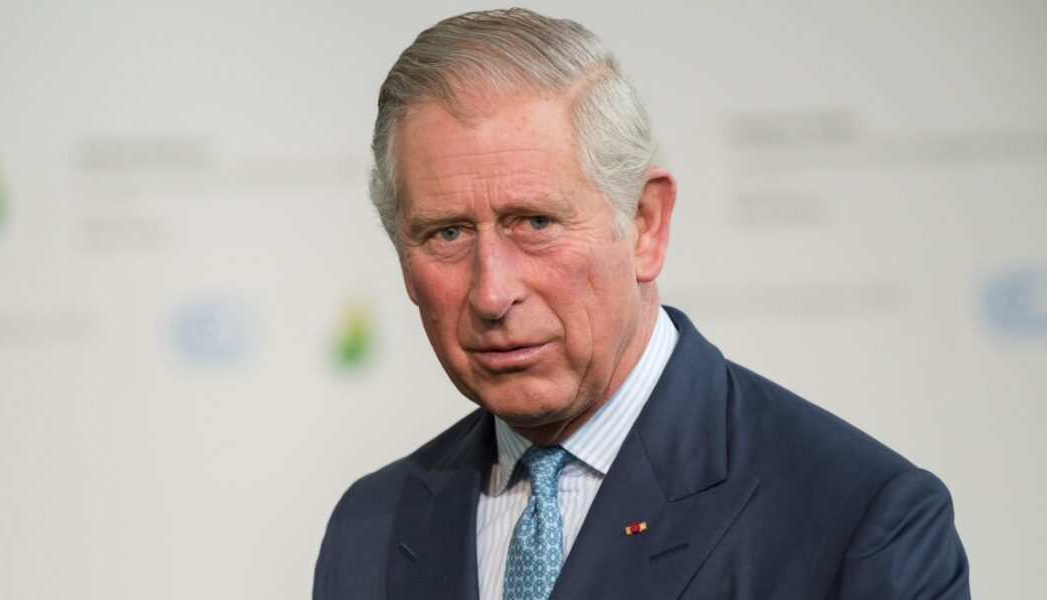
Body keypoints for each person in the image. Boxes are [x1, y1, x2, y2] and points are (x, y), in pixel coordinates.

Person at [314, 8, 970, 600]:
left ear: (646, 226)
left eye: (535, 222)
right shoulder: (369, 528)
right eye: (447, 234)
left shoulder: (859, 520)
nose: (492, 293)